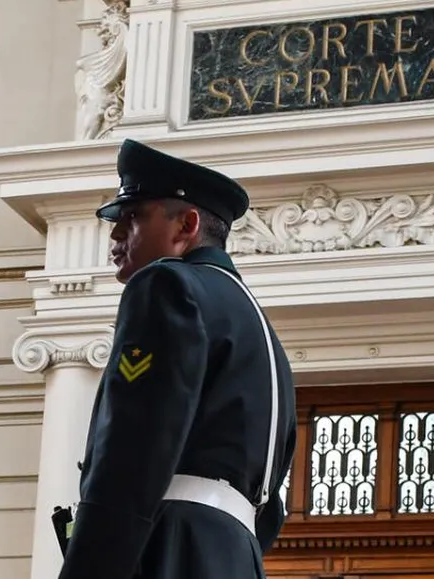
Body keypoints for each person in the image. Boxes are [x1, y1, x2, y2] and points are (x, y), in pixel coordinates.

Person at [57, 139, 298, 579]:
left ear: (186, 225)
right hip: (233, 556)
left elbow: (132, 449)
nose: (115, 234)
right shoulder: (264, 336)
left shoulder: (165, 285)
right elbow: (271, 505)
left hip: (167, 548)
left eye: (132, 218)